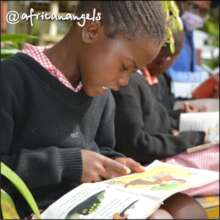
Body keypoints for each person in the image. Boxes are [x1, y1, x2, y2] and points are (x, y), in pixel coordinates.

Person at [166, 1, 211, 97]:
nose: (197, 14)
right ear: (181, 3)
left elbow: (191, 67)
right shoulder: (170, 27)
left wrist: (208, 75)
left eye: (203, 11)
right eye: (194, 7)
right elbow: (164, 72)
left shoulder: (189, 31)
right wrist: (202, 77)